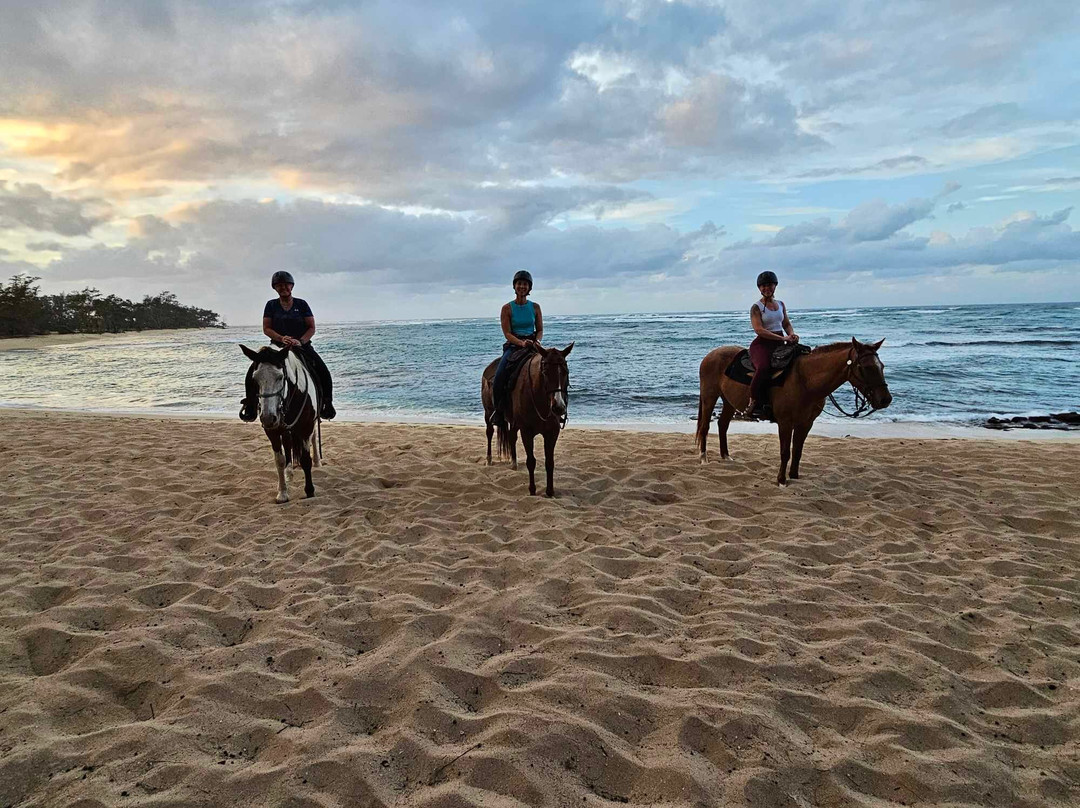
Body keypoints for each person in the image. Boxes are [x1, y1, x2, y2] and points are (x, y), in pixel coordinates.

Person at [239, 271, 336, 422]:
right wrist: (281, 338)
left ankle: (326, 404)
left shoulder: (301, 304)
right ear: (275, 288)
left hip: (301, 346)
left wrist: (301, 341)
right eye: (279, 285)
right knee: (253, 371)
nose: (283, 287)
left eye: (286, 285)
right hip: (277, 347)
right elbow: (267, 328)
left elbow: (311, 327)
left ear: (291, 286)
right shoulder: (271, 305)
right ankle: (250, 406)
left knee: (323, 371)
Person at [490, 269, 543, 423]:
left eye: (525, 284)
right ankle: (499, 412)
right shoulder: (507, 308)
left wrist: (537, 342)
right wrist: (521, 343)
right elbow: (507, 333)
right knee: (500, 375)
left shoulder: (535, 307)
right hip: (514, 345)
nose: (522, 287)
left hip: (533, 344)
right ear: (514, 286)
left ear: (529, 288)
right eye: (519, 284)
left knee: (554, 367)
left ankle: (556, 409)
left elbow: (539, 330)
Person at [746, 270, 798, 417]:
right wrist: (783, 339)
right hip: (762, 344)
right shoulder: (756, 307)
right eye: (762, 286)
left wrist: (791, 334)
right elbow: (759, 330)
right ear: (759, 288)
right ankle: (754, 402)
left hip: (780, 342)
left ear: (775, 286)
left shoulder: (781, 304)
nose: (766, 288)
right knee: (763, 368)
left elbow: (786, 323)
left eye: (769, 285)